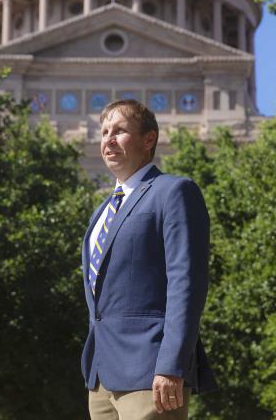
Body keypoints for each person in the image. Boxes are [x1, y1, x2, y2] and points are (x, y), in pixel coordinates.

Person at [81, 99, 217, 420]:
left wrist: (172, 364)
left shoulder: (174, 192)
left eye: (120, 131)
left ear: (148, 139)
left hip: (151, 371)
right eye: (104, 132)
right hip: (101, 379)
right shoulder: (100, 213)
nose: (108, 139)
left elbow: (187, 284)